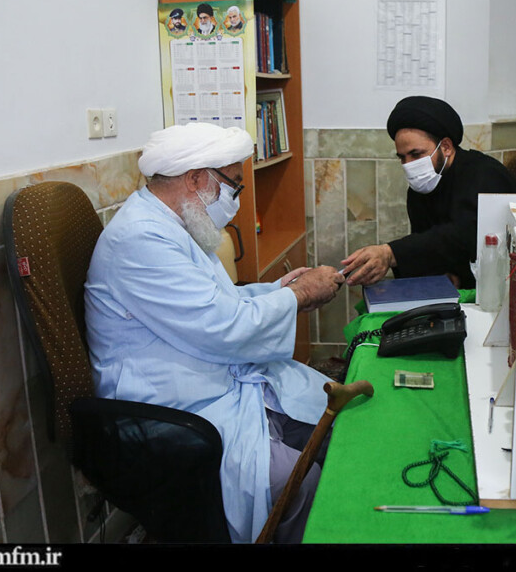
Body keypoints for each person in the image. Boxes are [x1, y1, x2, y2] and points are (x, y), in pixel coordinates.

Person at [85, 123, 344, 544]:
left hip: (213, 381)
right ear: (195, 179)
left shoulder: (171, 224)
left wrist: (281, 291)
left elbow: (218, 302)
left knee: (335, 426)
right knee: (296, 480)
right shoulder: (141, 239)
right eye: (233, 186)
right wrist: (297, 296)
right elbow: (222, 326)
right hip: (174, 409)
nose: (235, 201)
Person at [342, 96, 516, 289]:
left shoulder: (485, 175)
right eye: (402, 157)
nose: (408, 165)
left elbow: (464, 237)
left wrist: (391, 253)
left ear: (446, 147)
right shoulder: (420, 188)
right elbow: (426, 248)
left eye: (416, 154)